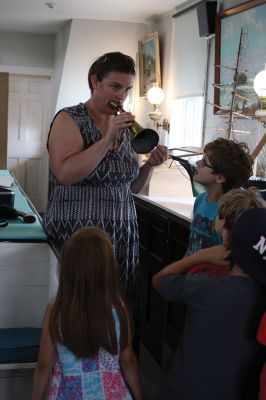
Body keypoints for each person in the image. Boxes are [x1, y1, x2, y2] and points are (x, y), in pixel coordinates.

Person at [43, 52, 168, 342]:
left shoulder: (126, 127)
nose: (121, 95)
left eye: (126, 89)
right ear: (95, 82)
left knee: (118, 309)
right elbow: (64, 174)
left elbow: (131, 187)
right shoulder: (69, 119)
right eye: (115, 87)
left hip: (121, 234)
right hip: (78, 234)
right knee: (77, 309)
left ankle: (114, 376)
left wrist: (149, 164)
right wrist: (106, 138)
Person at [152, 202, 266, 400]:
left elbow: (160, 281)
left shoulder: (208, 287)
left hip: (186, 390)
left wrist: (199, 256)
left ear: (230, 243)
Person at [32, 227, 143, 400]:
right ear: (107, 270)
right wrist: (139, 396)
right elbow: (127, 361)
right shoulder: (120, 309)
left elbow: (44, 365)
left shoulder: (56, 310)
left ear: (67, 269)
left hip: (67, 394)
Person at [187, 137, 253, 256]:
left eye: (204, 161)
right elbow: (191, 248)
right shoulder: (200, 200)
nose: (197, 163)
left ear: (220, 177)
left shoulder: (228, 212)